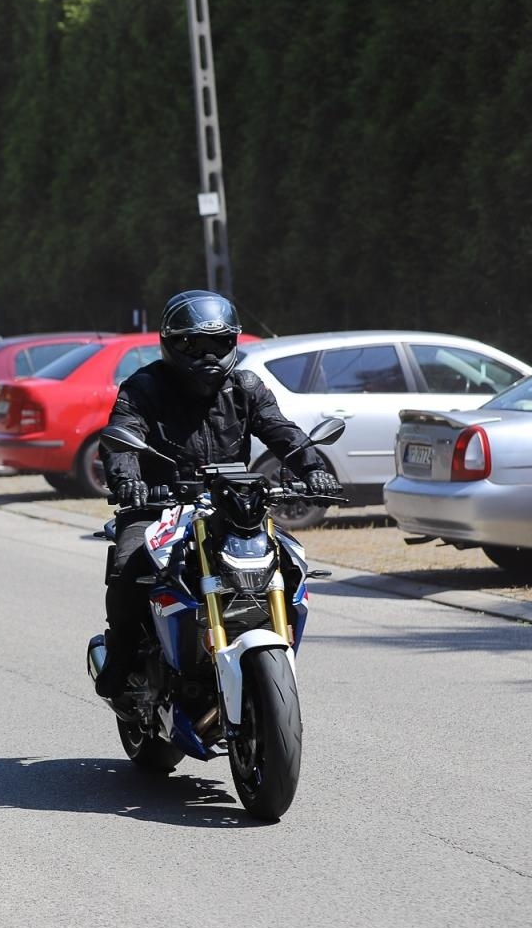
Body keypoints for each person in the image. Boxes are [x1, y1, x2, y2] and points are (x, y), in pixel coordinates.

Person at [91, 289, 343, 700]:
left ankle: (267, 648)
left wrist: (313, 468)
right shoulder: (144, 387)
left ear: (233, 342)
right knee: (130, 566)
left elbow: (281, 431)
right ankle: (121, 661)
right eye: (195, 344)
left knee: (291, 560)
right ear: (172, 343)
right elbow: (122, 439)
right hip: (158, 505)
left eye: (219, 343)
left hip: (230, 505)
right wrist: (128, 481)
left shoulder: (245, 385)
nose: (208, 355)